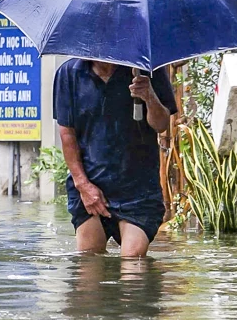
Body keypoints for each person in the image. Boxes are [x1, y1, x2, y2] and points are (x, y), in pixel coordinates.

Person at [54, 59, 177, 257]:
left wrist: (149, 96)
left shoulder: (147, 67)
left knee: (133, 267)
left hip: (138, 188)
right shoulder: (69, 73)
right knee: (89, 266)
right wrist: (83, 185)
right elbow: (67, 134)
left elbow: (161, 125)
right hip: (91, 184)